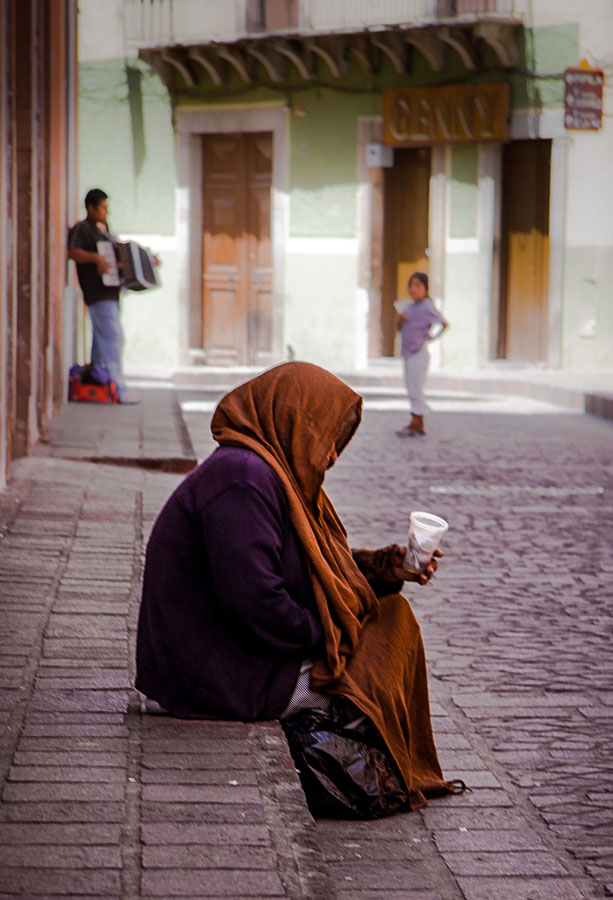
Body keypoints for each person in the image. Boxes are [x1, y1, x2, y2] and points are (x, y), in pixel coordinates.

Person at [136, 361, 461, 812]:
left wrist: (385, 570)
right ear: (293, 421)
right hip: (222, 677)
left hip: (238, 657)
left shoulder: (268, 471)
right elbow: (257, 605)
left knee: (384, 616)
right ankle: (362, 740)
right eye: (327, 439)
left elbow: (318, 570)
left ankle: (370, 736)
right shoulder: (242, 479)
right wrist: (334, 634)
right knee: (388, 631)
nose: (329, 457)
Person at [67, 188, 139, 404]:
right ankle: (119, 389)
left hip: (111, 294)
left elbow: (111, 260)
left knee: (101, 343)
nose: (106, 212)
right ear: (91, 207)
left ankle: (97, 384)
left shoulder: (103, 231)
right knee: (114, 339)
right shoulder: (82, 229)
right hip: (98, 295)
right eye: (103, 207)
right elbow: (72, 252)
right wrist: (95, 258)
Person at [395, 272, 448, 437]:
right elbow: (400, 329)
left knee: (416, 387)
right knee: (410, 387)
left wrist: (431, 338)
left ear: (425, 288)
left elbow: (443, 323)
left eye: (418, 285)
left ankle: (417, 420)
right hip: (408, 351)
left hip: (419, 352)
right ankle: (416, 421)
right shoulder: (409, 307)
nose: (413, 289)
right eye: (411, 285)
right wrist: (400, 321)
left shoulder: (427, 306)